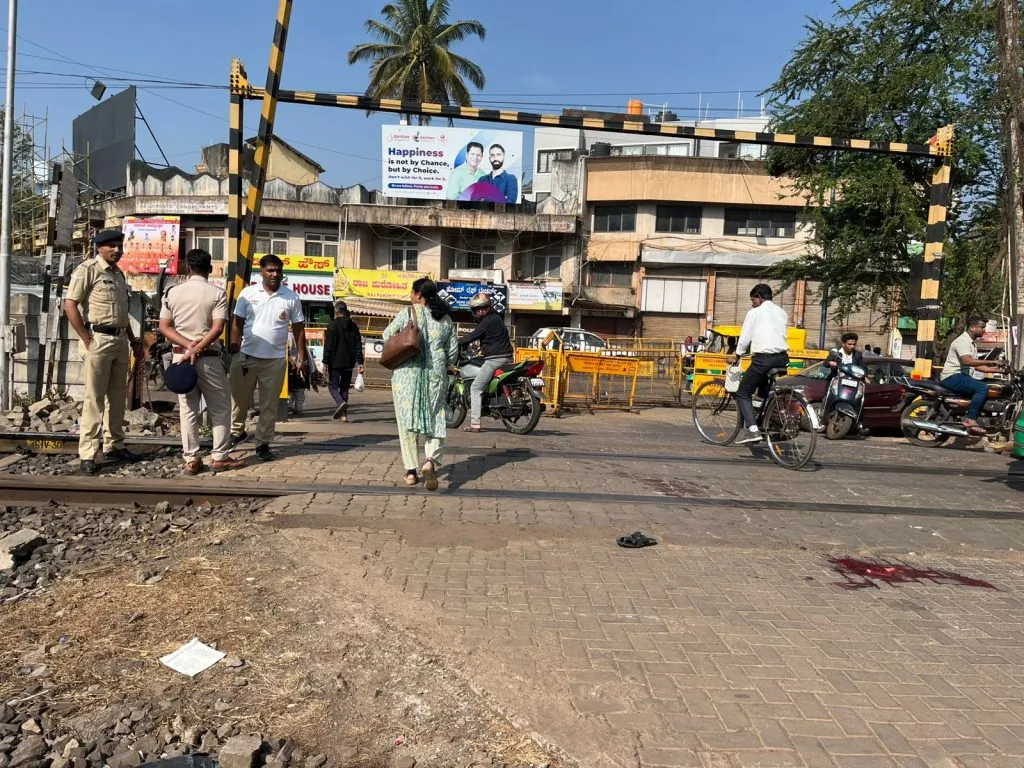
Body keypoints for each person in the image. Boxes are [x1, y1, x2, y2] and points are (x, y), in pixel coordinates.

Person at [64, 228, 144, 475]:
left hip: (120, 340)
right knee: (94, 398)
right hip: (98, 339)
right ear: (99, 247)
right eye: (112, 246)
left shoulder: (118, 274)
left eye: (119, 246)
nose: (117, 250)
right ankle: (88, 453)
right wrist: (87, 338)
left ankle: (114, 444)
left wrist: (134, 341)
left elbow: (123, 313)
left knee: (117, 397)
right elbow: (70, 305)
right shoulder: (88, 270)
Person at [158, 248, 243, 475]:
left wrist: (187, 347)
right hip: (209, 359)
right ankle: (219, 457)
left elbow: (164, 327)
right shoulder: (217, 294)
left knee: (187, 410)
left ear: (187, 268)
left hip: (180, 358)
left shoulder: (171, 293)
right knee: (220, 407)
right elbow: (218, 328)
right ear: (210, 269)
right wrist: (197, 347)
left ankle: (192, 460)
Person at [383, 278, 458, 490]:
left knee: (407, 423)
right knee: (436, 419)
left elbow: (387, 335)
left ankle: (410, 472)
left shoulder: (408, 313)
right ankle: (430, 461)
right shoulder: (445, 319)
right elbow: (453, 352)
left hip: (406, 376)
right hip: (435, 377)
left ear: (418, 295)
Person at [228, 253, 305, 461]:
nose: (275, 274)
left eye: (278, 271)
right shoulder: (247, 293)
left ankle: (262, 443)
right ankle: (237, 432)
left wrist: (301, 356)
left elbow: (299, 329)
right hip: (246, 356)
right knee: (239, 400)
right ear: (261, 272)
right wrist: (234, 350)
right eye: (270, 270)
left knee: (269, 405)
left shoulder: (291, 298)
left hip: (275, 360)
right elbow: (237, 323)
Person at [727, 283, 789, 445]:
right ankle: (758, 417)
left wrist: (737, 354)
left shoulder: (754, 313)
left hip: (764, 359)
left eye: (753, 299)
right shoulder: (782, 312)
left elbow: (745, 336)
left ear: (759, 297)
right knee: (761, 390)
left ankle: (753, 430)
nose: (752, 303)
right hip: (782, 358)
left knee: (742, 393)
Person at [458, 292, 514, 433]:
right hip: (507, 357)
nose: (480, 311)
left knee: (476, 388)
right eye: (477, 309)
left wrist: (455, 343)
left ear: (488, 307)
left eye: (483, 307)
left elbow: (472, 336)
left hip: (495, 359)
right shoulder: (497, 318)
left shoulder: (487, 321)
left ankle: (475, 424)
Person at [939, 315, 1003, 435]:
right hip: (952, 376)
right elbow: (967, 361)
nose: (984, 330)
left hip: (961, 376)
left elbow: (977, 366)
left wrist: (1000, 371)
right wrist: (991, 361)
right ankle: (970, 419)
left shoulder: (971, 343)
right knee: (983, 388)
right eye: (982, 327)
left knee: (990, 385)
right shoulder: (962, 341)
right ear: (973, 328)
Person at [323, 300, 364, 421]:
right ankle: (344, 415)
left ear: (336, 312)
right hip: (348, 363)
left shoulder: (332, 326)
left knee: (332, 386)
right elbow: (358, 345)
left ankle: (340, 402)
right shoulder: (353, 326)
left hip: (334, 362)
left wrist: (325, 361)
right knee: (344, 387)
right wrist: (360, 362)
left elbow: (328, 346)